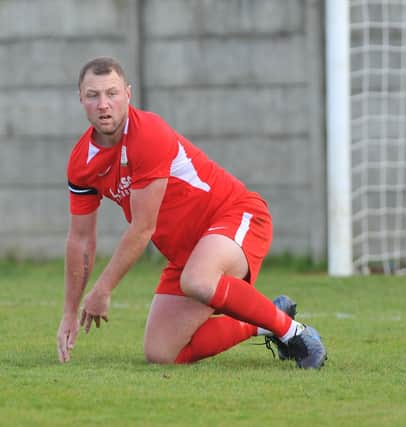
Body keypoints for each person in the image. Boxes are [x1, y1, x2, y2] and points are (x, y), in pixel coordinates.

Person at [56, 56, 327, 369]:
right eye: (93, 95)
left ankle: (298, 336)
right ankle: (266, 320)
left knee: (197, 279)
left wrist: (103, 289)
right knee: (161, 353)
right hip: (187, 254)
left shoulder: (147, 134)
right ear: (80, 98)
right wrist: (69, 311)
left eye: (112, 93)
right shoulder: (81, 163)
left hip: (235, 216)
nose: (104, 104)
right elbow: (80, 240)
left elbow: (143, 227)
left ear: (128, 94)